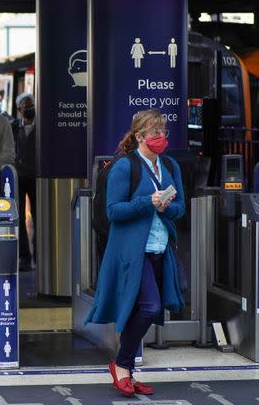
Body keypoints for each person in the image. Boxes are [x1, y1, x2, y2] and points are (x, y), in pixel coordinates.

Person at [86, 109, 185, 398]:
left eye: (163, 132)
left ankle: (125, 368)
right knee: (151, 307)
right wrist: (147, 202)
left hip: (160, 248)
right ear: (140, 136)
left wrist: (167, 206)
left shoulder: (169, 165)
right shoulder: (125, 167)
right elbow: (113, 211)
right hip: (132, 252)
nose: (161, 138)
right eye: (155, 133)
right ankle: (121, 365)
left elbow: (180, 208)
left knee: (142, 309)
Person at [12, 93, 36, 271]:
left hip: (36, 177)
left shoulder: (43, 126)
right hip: (17, 177)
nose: (29, 108)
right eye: (25, 106)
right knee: (18, 217)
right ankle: (25, 256)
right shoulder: (12, 127)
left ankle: (39, 254)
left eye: (31, 105)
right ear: (19, 110)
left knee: (38, 216)